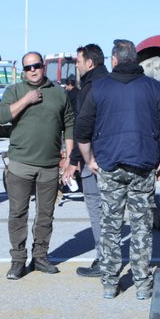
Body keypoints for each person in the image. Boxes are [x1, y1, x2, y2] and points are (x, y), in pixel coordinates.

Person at [75, 39, 160, 300]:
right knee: (141, 226)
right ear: (135, 60)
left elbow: (82, 130)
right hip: (143, 166)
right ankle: (142, 284)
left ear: (114, 60)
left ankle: (110, 284)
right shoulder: (154, 88)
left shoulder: (99, 88)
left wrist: (90, 160)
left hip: (109, 166)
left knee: (110, 226)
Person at [0, 51, 75, 280]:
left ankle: (40, 256)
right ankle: (18, 260)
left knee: (45, 215)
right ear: (24, 70)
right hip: (20, 164)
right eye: (28, 67)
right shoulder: (15, 91)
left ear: (43, 67)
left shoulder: (58, 93)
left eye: (36, 66)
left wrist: (69, 157)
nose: (33, 70)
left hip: (49, 166)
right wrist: (27, 100)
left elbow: (69, 124)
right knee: (18, 214)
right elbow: (0, 116)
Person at [69, 43, 109, 278]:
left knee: (96, 209)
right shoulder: (113, 83)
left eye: (79, 62)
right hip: (116, 156)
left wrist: (75, 159)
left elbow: (82, 127)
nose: (77, 65)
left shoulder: (89, 88)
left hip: (93, 158)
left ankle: (104, 260)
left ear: (90, 63)